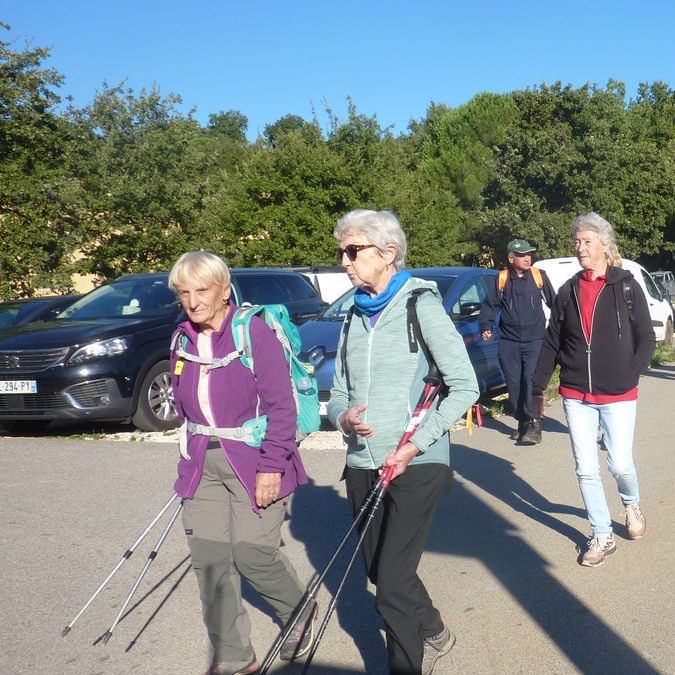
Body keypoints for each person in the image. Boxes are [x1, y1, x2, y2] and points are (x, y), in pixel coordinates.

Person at [326, 209, 480, 674]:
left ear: (388, 253)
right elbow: (335, 394)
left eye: (353, 251)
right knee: (380, 573)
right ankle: (433, 628)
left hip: (417, 461)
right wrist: (343, 419)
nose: (344, 261)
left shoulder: (421, 306)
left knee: (391, 585)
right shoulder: (354, 314)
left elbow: (465, 386)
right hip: (362, 462)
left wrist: (417, 444)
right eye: (341, 252)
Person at [168, 250, 313, 675]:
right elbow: (185, 411)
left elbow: (281, 408)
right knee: (210, 558)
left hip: (255, 460)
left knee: (252, 554)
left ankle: (299, 610)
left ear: (224, 290)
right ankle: (233, 655)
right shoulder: (181, 339)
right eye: (184, 293)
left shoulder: (253, 332)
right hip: (202, 464)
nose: (193, 301)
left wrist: (271, 466)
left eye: (202, 290)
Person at [531, 212, 655, 567]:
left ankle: (630, 503)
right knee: (585, 468)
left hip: (618, 392)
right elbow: (552, 340)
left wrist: (631, 372)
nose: (580, 247)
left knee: (619, 463)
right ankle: (601, 534)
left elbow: (646, 337)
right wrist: (538, 387)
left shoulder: (626, 285)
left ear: (604, 245)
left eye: (587, 241)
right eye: (577, 241)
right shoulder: (569, 290)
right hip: (575, 393)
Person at [480, 238, 556, 445]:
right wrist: (486, 327)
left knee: (531, 380)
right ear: (511, 258)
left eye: (529, 254)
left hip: (536, 339)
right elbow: (489, 306)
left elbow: (555, 304)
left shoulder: (539, 277)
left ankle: (535, 424)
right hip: (509, 341)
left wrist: (560, 330)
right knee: (513, 383)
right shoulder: (502, 279)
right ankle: (522, 422)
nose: (527, 258)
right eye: (522, 255)